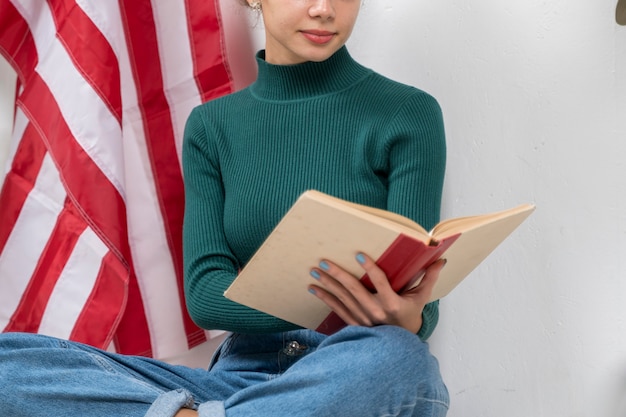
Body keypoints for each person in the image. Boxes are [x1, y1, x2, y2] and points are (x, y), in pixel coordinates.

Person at [0, 0, 449, 416]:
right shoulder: (212, 127)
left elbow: (415, 277)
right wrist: (339, 299)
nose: (323, 9)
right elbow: (206, 294)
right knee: (9, 363)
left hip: (351, 368)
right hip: (239, 381)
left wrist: (412, 317)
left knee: (403, 361)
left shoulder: (408, 114)